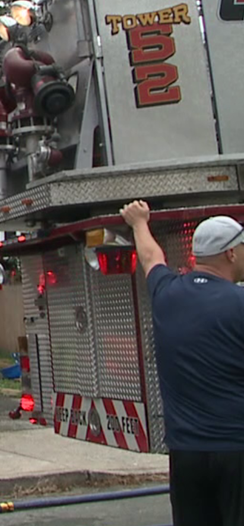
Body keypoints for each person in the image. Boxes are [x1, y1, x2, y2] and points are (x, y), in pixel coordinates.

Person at [120, 200, 244, 525]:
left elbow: (151, 257)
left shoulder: (167, 294)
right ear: (231, 253)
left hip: (186, 455)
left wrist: (138, 223)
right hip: (236, 451)